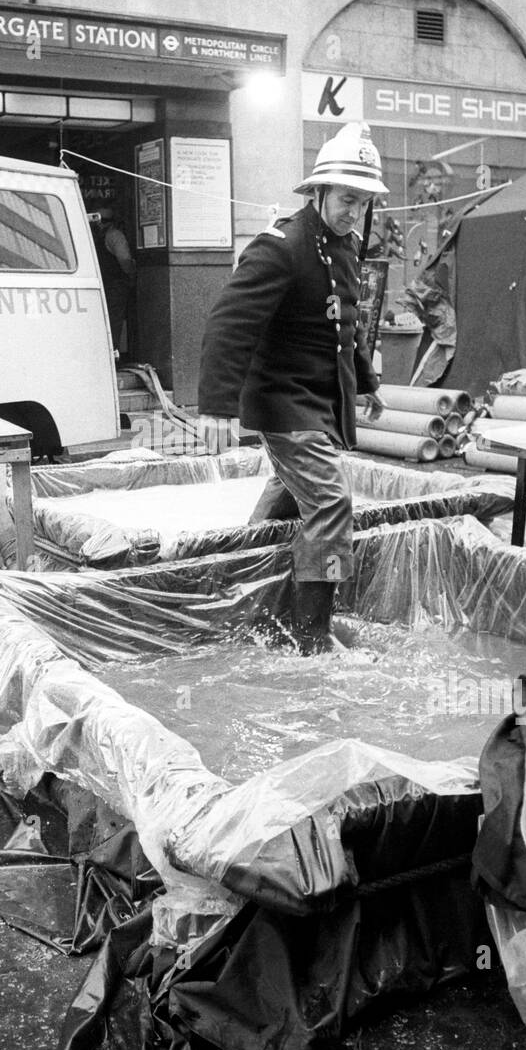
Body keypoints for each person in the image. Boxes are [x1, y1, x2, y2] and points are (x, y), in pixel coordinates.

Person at [196, 122, 387, 653]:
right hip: (285, 404)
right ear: (320, 190)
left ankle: (235, 591)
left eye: (364, 201)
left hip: (320, 405)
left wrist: (366, 382)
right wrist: (216, 406)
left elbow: (343, 324)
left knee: (283, 506)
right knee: (331, 503)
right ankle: (312, 638)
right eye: (348, 198)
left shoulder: (344, 248)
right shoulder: (281, 247)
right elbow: (229, 324)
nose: (355, 212)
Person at [92, 206, 135, 354]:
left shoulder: (94, 237)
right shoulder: (115, 236)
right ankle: (113, 352)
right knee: (114, 320)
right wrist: (131, 274)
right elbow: (124, 259)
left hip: (103, 283)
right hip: (116, 284)